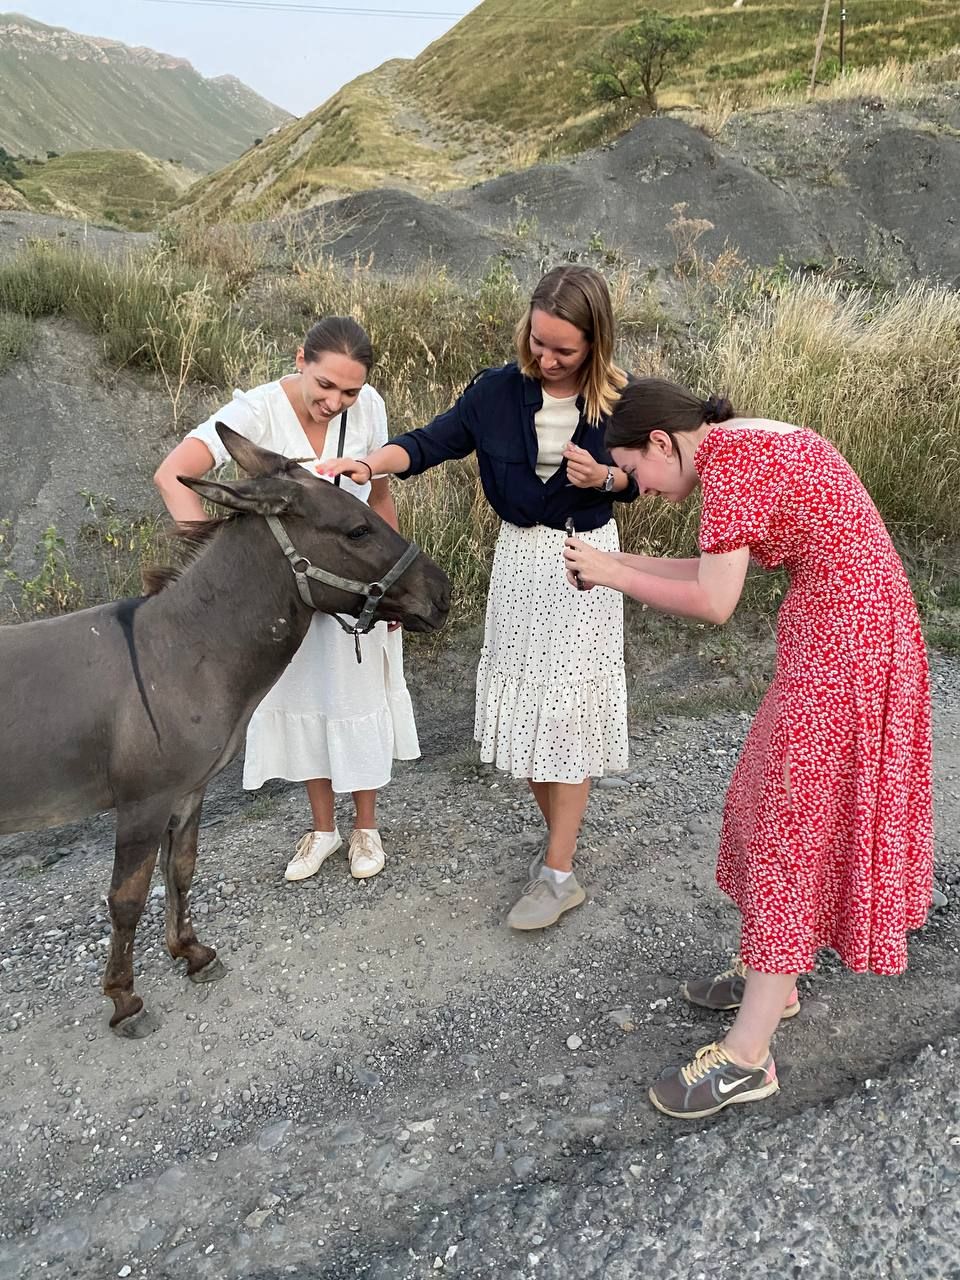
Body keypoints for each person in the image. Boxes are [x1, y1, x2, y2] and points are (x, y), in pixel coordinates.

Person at [563, 377, 934, 1119]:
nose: (643, 487)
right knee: (762, 801)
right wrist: (616, 572)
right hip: (848, 638)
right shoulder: (738, 444)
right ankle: (777, 978)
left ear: (661, 443)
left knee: (792, 830)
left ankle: (747, 1058)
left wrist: (616, 574)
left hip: (849, 653)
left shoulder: (728, 466)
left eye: (636, 471)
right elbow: (705, 575)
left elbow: (713, 602)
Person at [320, 265, 639, 929]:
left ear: (595, 344)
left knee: (565, 717)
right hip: (521, 560)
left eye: (564, 350)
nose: (545, 358)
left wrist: (606, 475)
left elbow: (644, 479)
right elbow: (430, 443)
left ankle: (556, 871)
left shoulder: (621, 403)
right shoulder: (495, 391)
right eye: (538, 340)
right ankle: (564, 852)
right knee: (528, 716)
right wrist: (370, 464)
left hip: (587, 561)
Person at [153, 316, 420, 883]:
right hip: (288, 596)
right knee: (305, 703)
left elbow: (378, 493)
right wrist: (218, 576)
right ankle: (322, 830)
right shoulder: (255, 412)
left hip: (358, 586)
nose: (336, 401)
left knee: (357, 697)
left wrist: (393, 582)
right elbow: (173, 474)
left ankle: (365, 828)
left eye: (349, 390)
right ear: (301, 360)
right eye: (325, 385)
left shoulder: (367, 406)